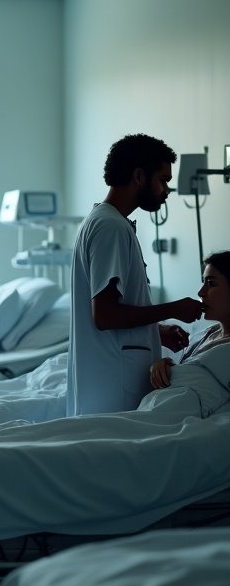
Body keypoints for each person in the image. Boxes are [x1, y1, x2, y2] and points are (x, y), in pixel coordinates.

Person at [67, 133, 203, 416]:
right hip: (114, 389)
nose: (167, 190)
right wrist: (174, 308)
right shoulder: (111, 228)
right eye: (163, 180)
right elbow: (104, 315)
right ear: (139, 176)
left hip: (107, 383)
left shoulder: (104, 222)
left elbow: (116, 309)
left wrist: (156, 331)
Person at [149, 250, 230, 389]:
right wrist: (165, 366)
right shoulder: (208, 334)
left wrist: (176, 372)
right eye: (203, 282)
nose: (201, 293)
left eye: (211, 283)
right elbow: (194, 372)